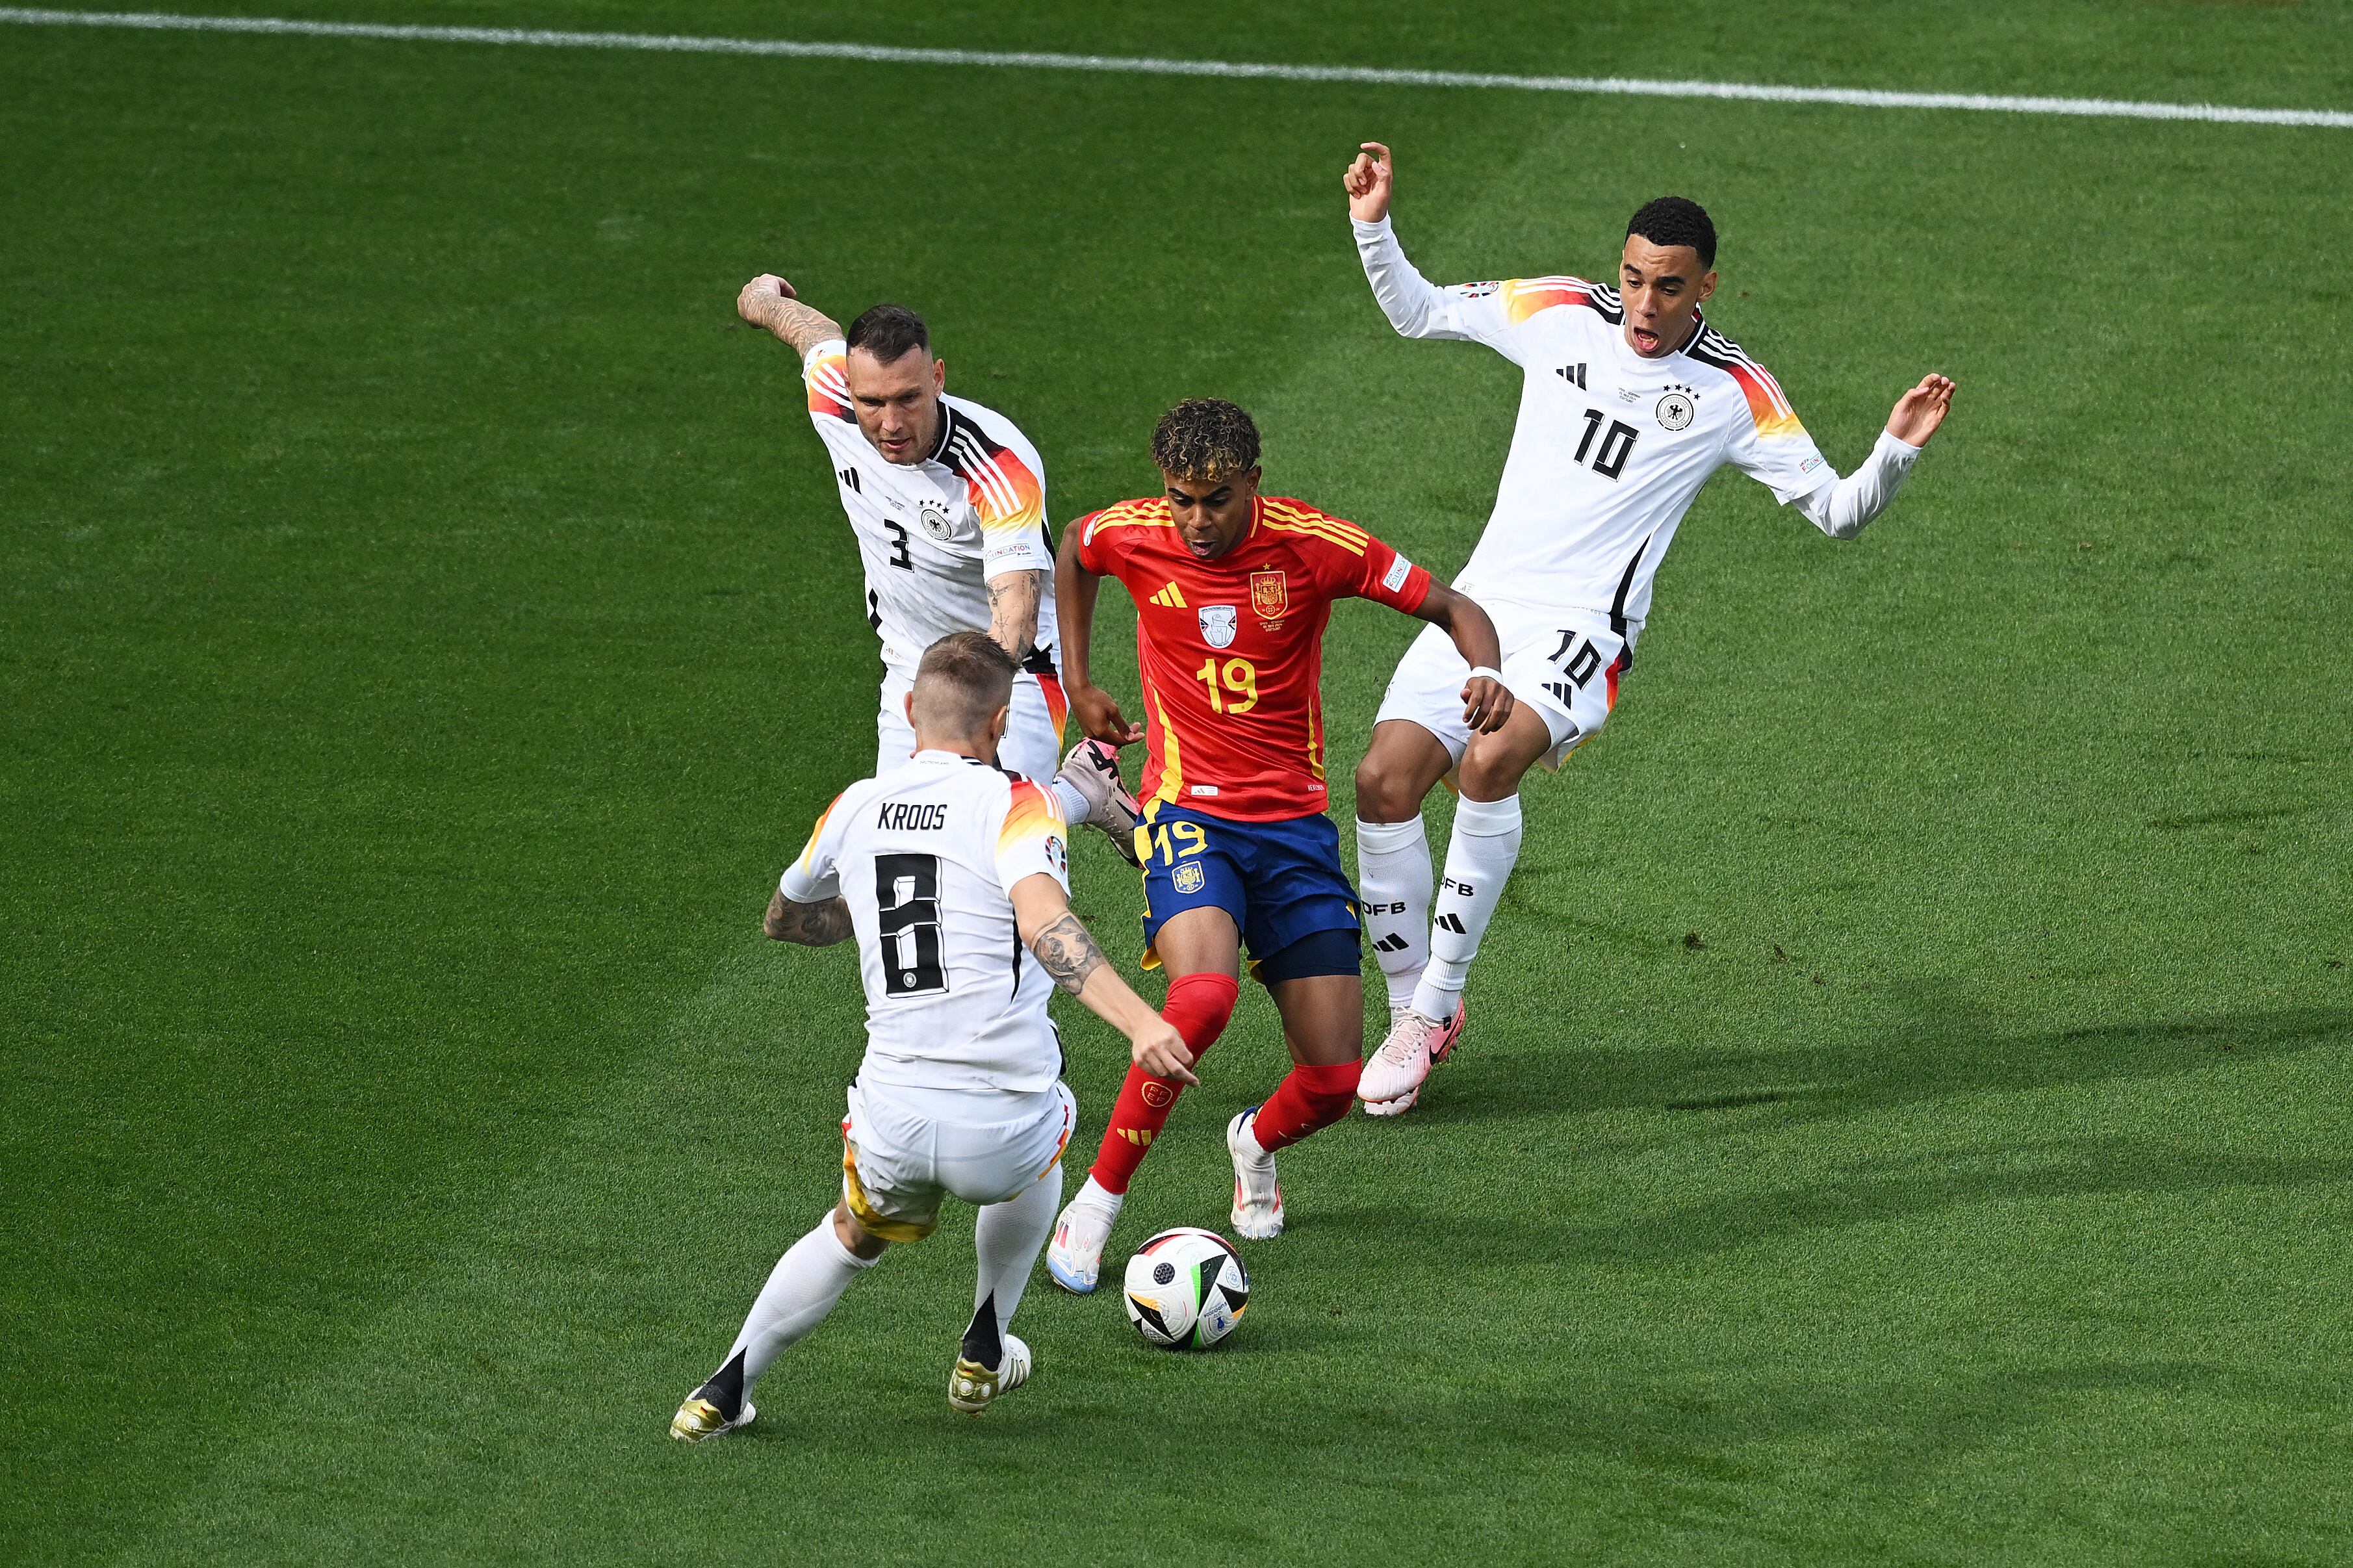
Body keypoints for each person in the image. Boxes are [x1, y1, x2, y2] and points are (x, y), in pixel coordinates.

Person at [1340, 142, 1958, 1113]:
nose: (1642, 304)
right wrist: (1373, 224)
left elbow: (1835, 510)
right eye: (1632, 278)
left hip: (1585, 627)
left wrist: (1893, 451)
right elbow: (1416, 310)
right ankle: (1409, 1005)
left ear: (1706, 286)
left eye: (1667, 288)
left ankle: (1433, 1010)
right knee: (1380, 784)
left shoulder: (1733, 391)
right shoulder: (1554, 310)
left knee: (1491, 763)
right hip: (1482, 604)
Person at [1042, 400, 1511, 1291]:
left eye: (1215, 499)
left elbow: (1452, 606)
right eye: (1180, 498)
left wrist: (1485, 671)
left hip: (1294, 830)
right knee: (1204, 996)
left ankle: (1252, 1143)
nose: (1195, 520)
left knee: (1334, 1080)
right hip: (1187, 814)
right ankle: (1095, 1203)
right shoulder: (1136, 534)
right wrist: (1079, 680)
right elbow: (1075, 546)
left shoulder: (1315, 545)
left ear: (1253, 483)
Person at [669, 633, 1190, 1437]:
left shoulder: (853, 807)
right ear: (1002, 722)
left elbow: (786, 919)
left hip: (894, 1123)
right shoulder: (1019, 803)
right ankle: (985, 1337)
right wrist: (1141, 1020)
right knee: (1048, 1138)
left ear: (911, 711)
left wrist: (874, 913)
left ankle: (722, 1390)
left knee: (850, 1233)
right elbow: (1048, 925)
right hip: (1005, 1128)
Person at [736, 275, 1139, 862]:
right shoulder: (833, 397)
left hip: (1014, 676)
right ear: (849, 387)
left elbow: (1016, 620)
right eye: (871, 402)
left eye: (909, 399)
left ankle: (1079, 790)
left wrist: (968, 721)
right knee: (898, 857)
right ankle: (1085, 788)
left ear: (938, 379)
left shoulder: (996, 465)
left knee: (988, 846)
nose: (891, 423)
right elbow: (813, 335)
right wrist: (763, 302)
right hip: (909, 667)